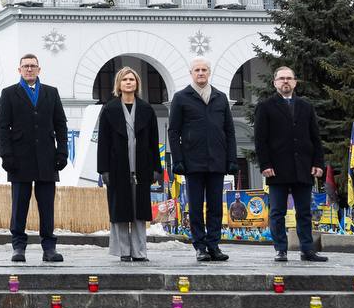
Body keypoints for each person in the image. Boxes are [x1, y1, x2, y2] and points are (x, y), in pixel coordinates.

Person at [0, 54, 68, 262]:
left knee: (47, 206)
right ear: (19, 70)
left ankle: (49, 248)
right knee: (19, 205)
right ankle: (18, 247)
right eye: (25, 66)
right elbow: (2, 126)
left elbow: (60, 124)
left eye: (33, 66)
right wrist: (6, 154)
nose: (29, 69)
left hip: (47, 157)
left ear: (39, 69)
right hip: (19, 158)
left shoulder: (51, 93)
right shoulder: (9, 93)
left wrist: (62, 151)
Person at [253, 66, 327, 262]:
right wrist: (265, 164)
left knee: (304, 212)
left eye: (289, 78)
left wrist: (318, 162)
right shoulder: (265, 106)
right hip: (277, 169)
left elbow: (315, 137)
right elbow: (260, 140)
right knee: (278, 212)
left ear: (295, 82)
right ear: (275, 83)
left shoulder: (306, 106)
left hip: (303, 167)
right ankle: (281, 249)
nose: (285, 81)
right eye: (281, 78)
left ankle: (307, 250)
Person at [168, 57, 237, 262]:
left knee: (215, 207)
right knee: (196, 207)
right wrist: (178, 160)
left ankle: (214, 245)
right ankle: (200, 246)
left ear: (209, 72)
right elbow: (173, 131)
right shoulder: (181, 97)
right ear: (191, 73)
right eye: (197, 70)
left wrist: (231, 159)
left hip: (217, 160)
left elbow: (229, 131)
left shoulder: (220, 97)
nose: (200, 73)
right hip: (192, 162)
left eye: (204, 70)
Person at [96, 67, 161, 262]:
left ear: (137, 83)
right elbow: (103, 142)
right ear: (119, 84)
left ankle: (140, 252)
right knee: (120, 210)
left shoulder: (146, 109)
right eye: (125, 79)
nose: (128, 82)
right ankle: (124, 251)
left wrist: (156, 167)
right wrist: (103, 169)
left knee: (139, 211)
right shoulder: (109, 109)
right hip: (117, 167)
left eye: (132, 79)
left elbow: (154, 141)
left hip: (141, 166)